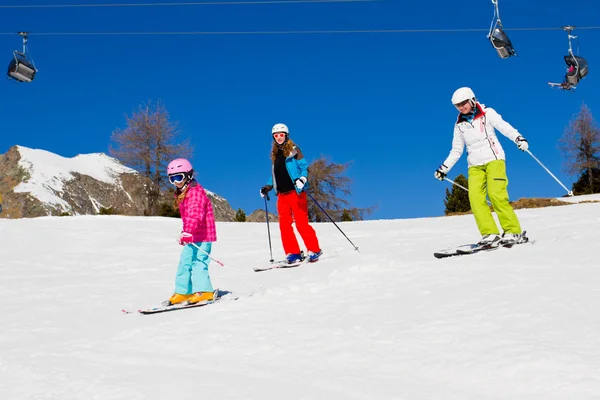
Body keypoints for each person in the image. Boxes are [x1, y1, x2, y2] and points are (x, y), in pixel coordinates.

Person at [434, 87, 528, 247]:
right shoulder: (459, 126)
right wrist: (444, 168)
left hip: (494, 159)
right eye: (458, 105)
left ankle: (513, 231)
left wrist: (519, 138)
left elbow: (504, 127)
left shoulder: (487, 113)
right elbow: (456, 151)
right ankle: (490, 234)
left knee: (495, 194)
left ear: (472, 100)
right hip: (475, 165)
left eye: (463, 103)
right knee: (475, 199)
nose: (461, 107)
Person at [260, 123, 322, 263]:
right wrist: (267, 187)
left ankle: (314, 249)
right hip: (282, 195)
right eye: (276, 136)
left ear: (286, 135)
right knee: (284, 225)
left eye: (281, 135)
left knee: (301, 223)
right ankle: (293, 252)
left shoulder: (294, 151)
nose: (279, 138)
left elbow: (304, 167)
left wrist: (303, 178)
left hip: (296, 192)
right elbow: (274, 175)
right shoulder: (275, 155)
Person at [164, 158, 217, 306]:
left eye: (178, 177)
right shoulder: (183, 193)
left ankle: (204, 291)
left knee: (198, 262)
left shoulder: (195, 193)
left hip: (204, 235)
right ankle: (183, 291)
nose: (176, 182)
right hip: (193, 235)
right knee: (185, 262)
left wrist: (188, 231)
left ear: (188, 176)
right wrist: (185, 232)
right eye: (172, 179)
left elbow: (195, 214)